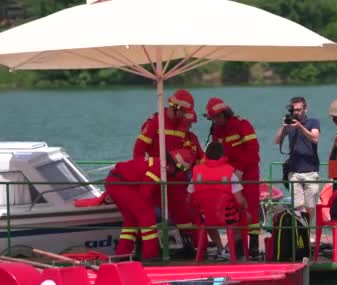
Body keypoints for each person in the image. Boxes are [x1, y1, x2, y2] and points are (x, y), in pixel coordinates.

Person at [132, 89, 202, 252]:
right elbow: (138, 151)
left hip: (176, 177)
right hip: (155, 175)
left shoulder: (182, 125)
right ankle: (142, 247)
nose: (185, 117)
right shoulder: (155, 122)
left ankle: (192, 246)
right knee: (146, 211)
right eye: (184, 113)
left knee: (184, 213)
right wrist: (143, 173)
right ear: (176, 108)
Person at [106, 149, 195, 260]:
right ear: (174, 165)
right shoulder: (158, 169)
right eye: (177, 170)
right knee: (147, 217)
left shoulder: (159, 164)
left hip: (116, 182)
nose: (175, 173)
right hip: (121, 184)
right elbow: (145, 193)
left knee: (131, 222)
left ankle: (122, 254)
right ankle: (150, 255)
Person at [204, 97, 262, 258]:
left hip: (248, 172)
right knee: (235, 210)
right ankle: (237, 247)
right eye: (212, 119)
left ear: (224, 114)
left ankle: (254, 246)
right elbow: (217, 153)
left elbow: (253, 150)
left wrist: (241, 170)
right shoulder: (216, 130)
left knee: (251, 208)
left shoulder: (242, 125)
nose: (214, 121)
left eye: (216, 117)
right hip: (230, 174)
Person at [190, 142, 250, 260]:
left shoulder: (197, 172)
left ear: (206, 155)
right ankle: (227, 250)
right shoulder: (229, 173)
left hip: (206, 217)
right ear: (223, 155)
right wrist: (243, 207)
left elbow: (189, 197)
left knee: (206, 219)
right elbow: (240, 201)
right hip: (227, 217)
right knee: (247, 218)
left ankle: (220, 248)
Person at [273, 96, 320, 223]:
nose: (296, 112)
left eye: (299, 110)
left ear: (305, 109)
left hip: (310, 170)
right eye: (294, 110)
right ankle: (302, 232)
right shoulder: (289, 124)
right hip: (294, 171)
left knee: (310, 205)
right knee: (298, 205)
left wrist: (300, 127)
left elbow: (315, 138)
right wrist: (284, 126)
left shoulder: (313, 122)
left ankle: (307, 229)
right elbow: (277, 141)